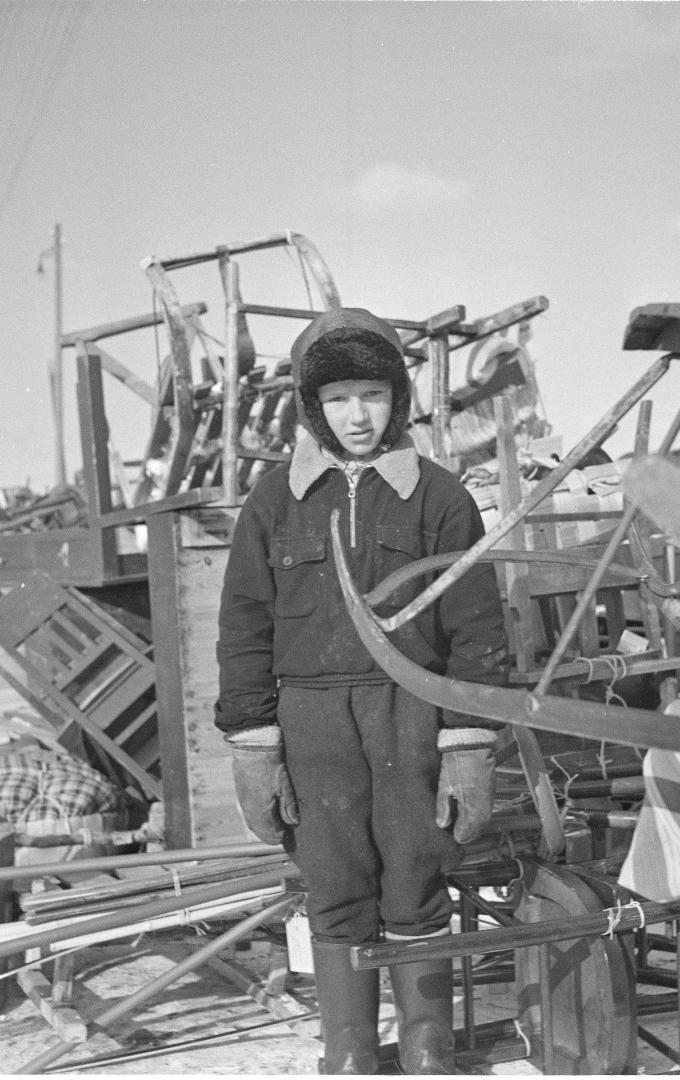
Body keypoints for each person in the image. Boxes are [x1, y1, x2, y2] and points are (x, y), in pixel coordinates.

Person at [215, 306, 509, 1074]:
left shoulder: (440, 497)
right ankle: (348, 1048)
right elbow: (243, 625)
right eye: (339, 398)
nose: (357, 416)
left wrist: (469, 742)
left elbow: (477, 628)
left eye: (372, 396)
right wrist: (252, 744)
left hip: (411, 711)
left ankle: (426, 1044)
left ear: (397, 399)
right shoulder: (272, 502)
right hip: (311, 720)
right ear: (313, 406)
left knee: (416, 873)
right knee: (334, 878)